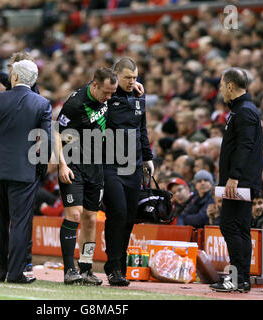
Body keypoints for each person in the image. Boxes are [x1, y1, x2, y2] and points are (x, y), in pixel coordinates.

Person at [0, 59, 51, 284]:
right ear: (34, 80)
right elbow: (45, 142)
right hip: (25, 171)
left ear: (13, 77)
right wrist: (40, 171)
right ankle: (15, 273)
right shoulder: (42, 103)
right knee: (20, 223)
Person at [55, 67, 117, 285]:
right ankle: (68, 269)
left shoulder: (107, 93)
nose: (109, 97)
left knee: (91, 218)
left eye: (112, 93)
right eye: (107, 93)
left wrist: (137, 86)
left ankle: (86, 268)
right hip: (73, 164)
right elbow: (55, 133)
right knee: (74, 214)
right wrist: (62, 165)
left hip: (95, 165)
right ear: (95, 85)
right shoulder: (75, 104)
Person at [210, 67, 263, 293]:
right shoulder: (241, 110)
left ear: (230, 86)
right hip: (240, 180)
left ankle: (238, 278)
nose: (221, 89)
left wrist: (234, 177)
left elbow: (245, 146)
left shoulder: (244, 112)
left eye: (222, 85)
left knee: (231, 226)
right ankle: (240, 279)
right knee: (238, 228)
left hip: (239, 181)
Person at [102, 57, 154, 286]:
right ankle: (113, 267)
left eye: (135, 77)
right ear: (115, 76)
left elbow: (142, 129)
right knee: (118, 214)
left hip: (133, 166)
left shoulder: (138, 98)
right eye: (128, 78)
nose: (133, 81)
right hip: (110, 166)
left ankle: (120, 269)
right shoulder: (105, 97)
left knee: (129, 219)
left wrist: (148, 158)